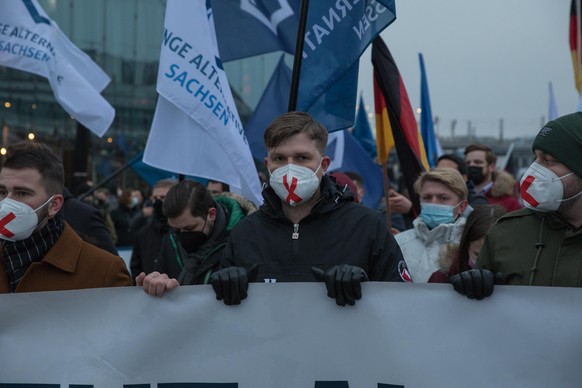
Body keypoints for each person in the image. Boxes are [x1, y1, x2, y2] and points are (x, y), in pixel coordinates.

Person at [140, 112, 411, 305]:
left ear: (324, 164)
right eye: (280, 158)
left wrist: (368, 288)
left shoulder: (366, 225)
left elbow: (404, 302)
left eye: (302, 157)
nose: (290, 166)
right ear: (267, 163)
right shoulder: (246, 231)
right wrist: (220, 287)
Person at [451, 112, 582, 300]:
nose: (535, 170)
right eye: (536, 158)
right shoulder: (507, 232)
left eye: (549, 161)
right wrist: (476, 286)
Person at [0, 141, 132, 293]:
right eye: (2, 192)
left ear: (54, 205)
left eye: (22, 193)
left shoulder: (104, 271)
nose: (7, 202)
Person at [136, 180, 256, 290]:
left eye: (189, 228)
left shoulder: (243, 237)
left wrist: (239, 278)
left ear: (211, 214)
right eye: (176, 229)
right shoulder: (171, 239)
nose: (181, 235)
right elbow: (161, 273)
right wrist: (154, 283)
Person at [394, 168, 468, 283]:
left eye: (443, 198)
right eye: (427, 197)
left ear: (462, 206)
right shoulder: (398, 242)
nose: (433, 203)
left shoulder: (470, 244)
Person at [429, 205, 506, 283]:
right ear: (466, 246)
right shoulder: (441, 280)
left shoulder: (516, 282)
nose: (485, 263)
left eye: (493, 256)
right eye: (477, 255)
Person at [130, 178, 177, 280]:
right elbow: (136, 268)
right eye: (155, 198)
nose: (158, 201)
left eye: (163, 197)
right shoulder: (143, 233)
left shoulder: (183, 231)